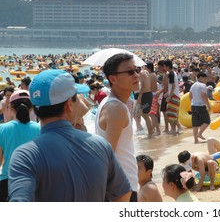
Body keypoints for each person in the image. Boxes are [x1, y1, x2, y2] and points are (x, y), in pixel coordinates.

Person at [7, 70, 131, 201]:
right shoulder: (100, 145)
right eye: (76, 97)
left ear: (35, 109)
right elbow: (123, 194)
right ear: (69, 104)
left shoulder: (25, 155)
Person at [95, 53, 140, 202]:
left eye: (136, 69)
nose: (136, 75)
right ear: (113, 79)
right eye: (129, 71)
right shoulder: (115, 108)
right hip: (121, 189)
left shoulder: (113, 104)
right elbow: (108, 155)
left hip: (123, 185)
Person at [0, 90, 40, 201]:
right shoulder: (41, 128)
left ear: (11, 109)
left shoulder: (2, 129)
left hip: (7, 181)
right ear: (31, 108)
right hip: (36, 181)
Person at [189, 72, 211, 143]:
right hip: (200, 105)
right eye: (205, 78)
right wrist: (208, 105)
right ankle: (200, 133)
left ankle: (196, 140)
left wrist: (192, 102)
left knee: (195, 123)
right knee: (207, 121)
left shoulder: (193, 85)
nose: (206, 80)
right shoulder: (203, 85)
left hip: (193, 105)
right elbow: (204, 95)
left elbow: (190, 95)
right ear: (200, 78)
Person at [164, 59, 182, 134]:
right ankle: (176, 128)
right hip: (174, 94)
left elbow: (173, 86)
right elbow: (172, 86)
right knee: (171, 113)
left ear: (167, 66)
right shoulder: (173, 73)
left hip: (174, 95)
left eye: (165, 66)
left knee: (171, 113)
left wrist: (169, 96)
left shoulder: (171, 74)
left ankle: (176, 128)